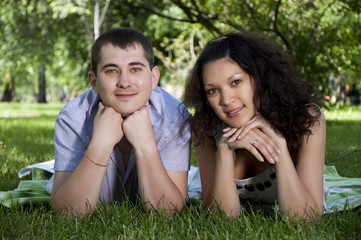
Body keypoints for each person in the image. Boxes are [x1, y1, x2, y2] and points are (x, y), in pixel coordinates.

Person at [48, 28, 191, 216]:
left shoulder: (175, 118)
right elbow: (68, 212)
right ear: (94, 82)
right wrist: (100, 144)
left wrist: (145, 144)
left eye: (136, 69)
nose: (124, 82)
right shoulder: (72, 118)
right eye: (111, 71)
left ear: (154, 77)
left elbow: (167, 210)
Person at [184, 32, 326, 220]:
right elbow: (220, 219)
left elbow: (305, 218)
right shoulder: (206, 124)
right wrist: (225, 150)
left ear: (259, 78)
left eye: (235, 82)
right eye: (213, 91)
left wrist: (280, 148)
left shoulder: (305, 118)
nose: (226, 100)